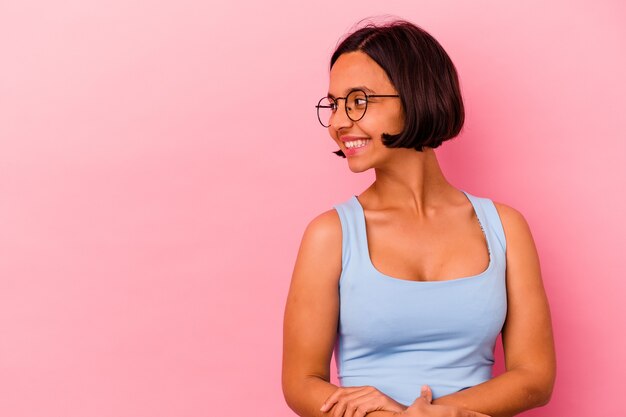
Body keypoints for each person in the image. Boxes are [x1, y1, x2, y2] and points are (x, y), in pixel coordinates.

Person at [282, 18, 555, 417]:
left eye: (358, 101)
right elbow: (300, 382)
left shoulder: (505, 227)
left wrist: (427, 413)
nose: (340, 122)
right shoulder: (330, 235)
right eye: (335, 104)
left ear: (414, 96)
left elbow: (535, 377)